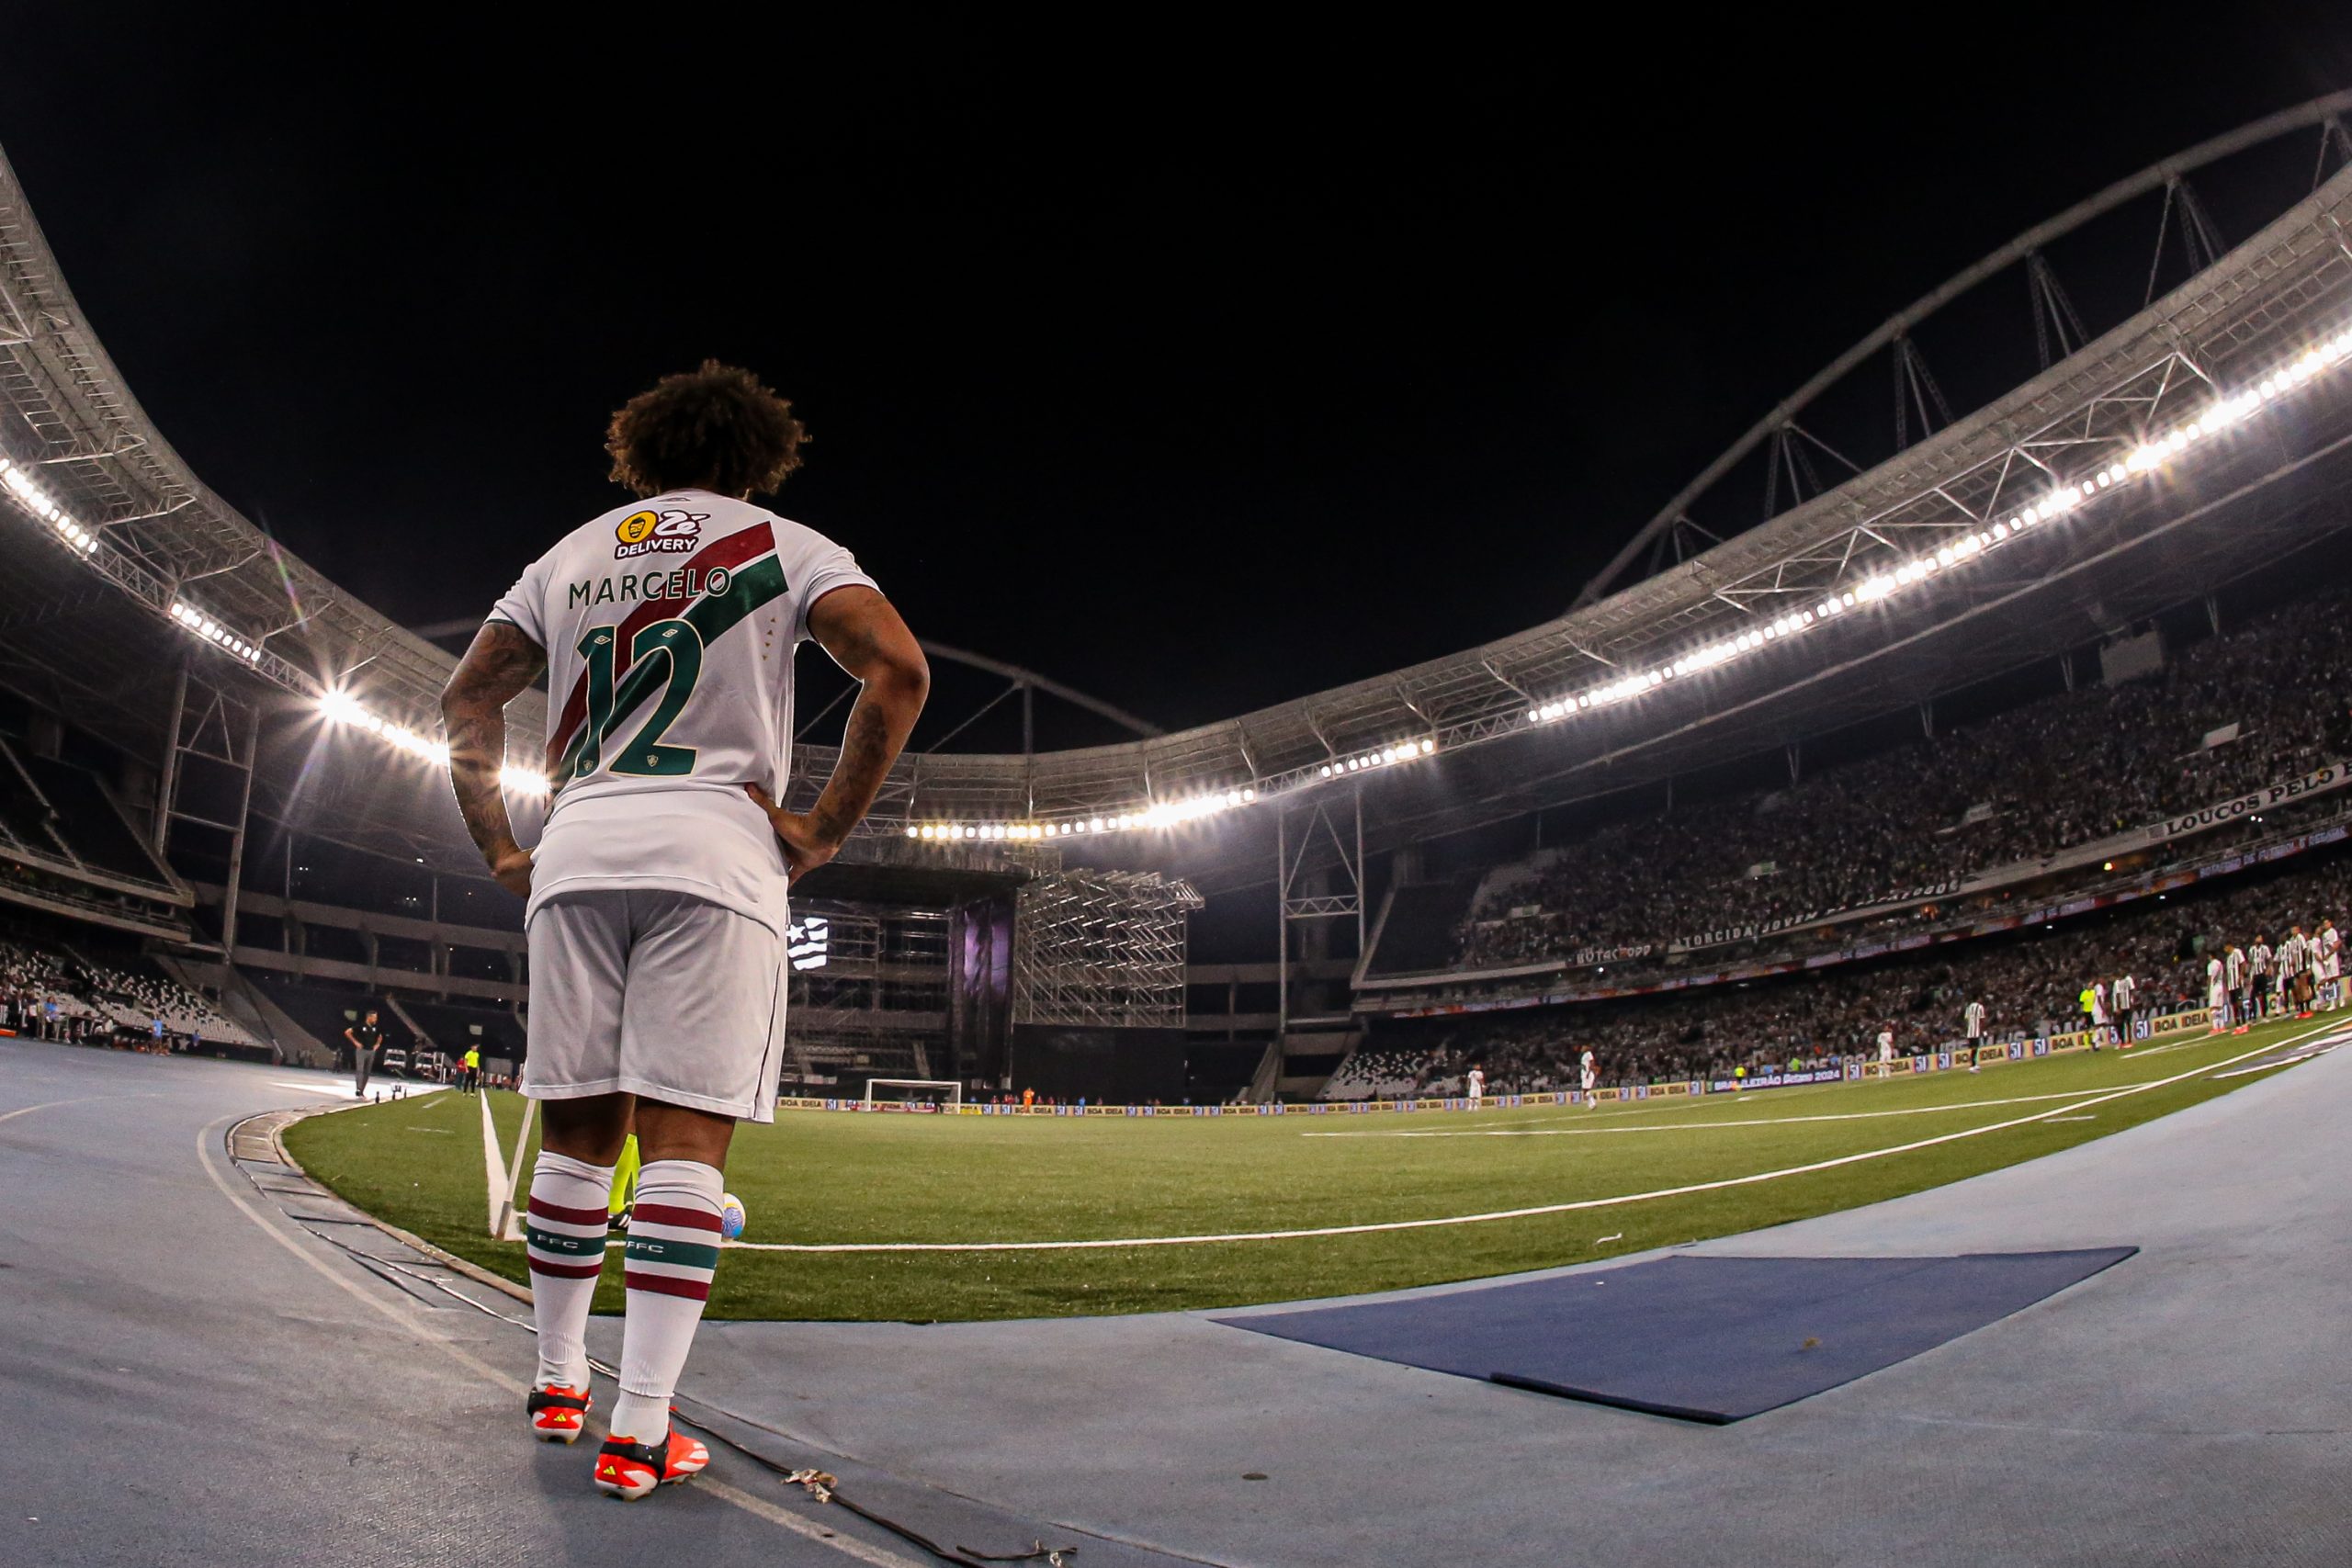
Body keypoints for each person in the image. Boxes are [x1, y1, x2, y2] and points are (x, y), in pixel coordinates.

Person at [440, 362, 927, 1500]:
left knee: (574, 1140)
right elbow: (897, 671)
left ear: (638, 455)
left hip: (578, 849)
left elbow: (468, 699)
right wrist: (819, 832)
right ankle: (642, 1429)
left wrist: (504, 850)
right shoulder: (787, 546)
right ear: (760, 456)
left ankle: (558, 1384)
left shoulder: (566, 558)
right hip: (714, 853)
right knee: (684, 1147)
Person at [345, 1010, 382, 1099]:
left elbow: (380, 1037)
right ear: (369, 1017)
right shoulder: (361, 1026)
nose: (375, 1019)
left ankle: (362, 1091)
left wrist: (377, 1045)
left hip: (371, 1051)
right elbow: (347, 1032)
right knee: (360, 1070)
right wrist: (355, 1042)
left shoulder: (375, 1028)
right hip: (361, 1050)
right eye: (374, 1017)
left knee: (367, 1072)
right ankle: (358, 1089)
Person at [2225, 942, 2251, 1034]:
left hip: (2237, 983)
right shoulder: (2228, 958)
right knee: (2234, 1005)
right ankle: (2238, 1025)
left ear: (2229, 946)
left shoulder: (2237, 952)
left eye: (2225, 947)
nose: (2225, 950)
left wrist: (2241, 975)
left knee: (2239, 1003)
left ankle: (2244, 1024)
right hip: (2231, 985)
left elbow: (2243, 963)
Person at [2318, 918, 2343, 1010]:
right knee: (2330, 979)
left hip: (2332, 957)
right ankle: (2336, 1000)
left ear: (2330, 923)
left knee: (2334, 978)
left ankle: (2339, 999)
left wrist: (2328, 955)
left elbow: (2336, 944)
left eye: (2327, 923)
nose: (2325, 925)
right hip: (2327, 959)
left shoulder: (2333, 931)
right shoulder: (2324, 935)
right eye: (2324, 924)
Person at [2206, 950, 2229, 1034]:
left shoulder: (2210, 965)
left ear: (2211, 956)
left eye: (2209, 956)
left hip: (2214, 987)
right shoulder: (2220, 963)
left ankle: (2216, 1027)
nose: (2208, 958)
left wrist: (2208, 989)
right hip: (2220, 986)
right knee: (2220, 1007)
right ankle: (2222, 1026)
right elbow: (2223, 975)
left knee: (2213, 1007)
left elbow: (2209, 978)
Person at [1962, 998, 1986, 1071]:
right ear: (1978, 998)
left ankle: (1975, 1064)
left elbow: (1966, 1020)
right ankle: (1972, 1065)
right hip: (1976, 1032)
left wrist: (1967, 1030)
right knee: (1975, 1048)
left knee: (1974, 1048)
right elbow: (1982, 1020)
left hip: (1970, 1032)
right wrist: (1984, 1031)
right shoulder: (1980, 1007)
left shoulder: (1968, 1008)